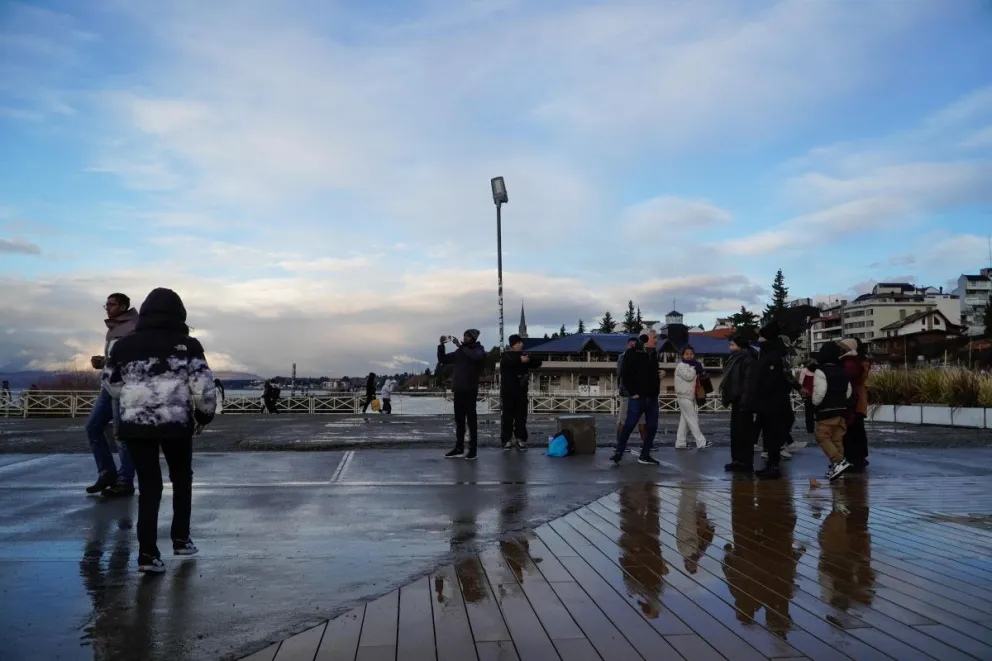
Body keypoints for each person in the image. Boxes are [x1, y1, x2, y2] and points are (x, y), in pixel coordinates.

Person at [103, 288, 216, 574]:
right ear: (180, 314)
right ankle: (181, 539)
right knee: (181, 478)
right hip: (175, 424)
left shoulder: (123, 346)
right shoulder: (188, 345)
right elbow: (203, 387)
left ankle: (147, 555)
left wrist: (138, 397)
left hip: (136, 425)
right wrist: (204, 415)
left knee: (149, 486)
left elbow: (111, 385)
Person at [84, 293, 139, 498]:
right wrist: (104, 362)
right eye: (106, 304)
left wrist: (106, 362)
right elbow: (115, 357)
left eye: (112, 304)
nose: (107, 307)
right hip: (108, 385)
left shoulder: (133, 327)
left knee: (120, 433)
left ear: (123, 307)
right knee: (93, 426)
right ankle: (107, 473)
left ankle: (125, 481)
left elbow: (133, 359)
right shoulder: (114, 328)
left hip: (123, 387)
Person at [747, 320, 792, 479]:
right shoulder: (774, 353)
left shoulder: (773, 355)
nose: (759, 340)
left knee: (772, 433)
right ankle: (771, 464)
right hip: (771, 401)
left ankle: (773, 466)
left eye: (762, 337)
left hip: (772, 401)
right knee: (769, 433)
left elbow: (769, 380)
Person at [611, 332, 662, 466]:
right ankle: (619, 452)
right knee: (629, 425)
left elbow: (652, 372)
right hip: (638, 398)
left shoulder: (653, 353)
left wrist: (660, 373)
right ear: (646, 338)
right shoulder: (632, 353)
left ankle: (645, 455)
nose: (656, 340)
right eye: (654, 337)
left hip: (652, 397)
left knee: (652, 427)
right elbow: (625, 374)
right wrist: (632, 392)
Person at [438, 330, 486, 460]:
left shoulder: (478, 349)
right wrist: (441, 346)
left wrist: (461, 346)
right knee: (459, 421)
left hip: (470, 389)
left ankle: (473, 450)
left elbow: (476, 357)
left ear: (474, 338)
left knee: (471, 421)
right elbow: (443, 359)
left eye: (468, 336)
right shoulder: (460, 351)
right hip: (458, 389)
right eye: (464, 336)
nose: (465, 338)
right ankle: (459, 448)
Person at [810, 341, 853, 481]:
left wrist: (814, 404)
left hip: (826, 410)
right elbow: (848, 391)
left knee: (822, 437)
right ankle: (837, 469)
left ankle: (838, 461)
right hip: (841, 410)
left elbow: (819, 392)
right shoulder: (843, 370)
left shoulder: (821, 371)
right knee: (837, 439)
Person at [721, 334, 757, 472]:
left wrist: (745, 400)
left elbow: (748, 382)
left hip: (743, 400)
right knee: (736, 431)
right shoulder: (735, 358)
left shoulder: (747, 359)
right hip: (736, 399)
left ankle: (745, 461)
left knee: (744, 431)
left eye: (732, 345)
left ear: (739, 346)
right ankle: (737, 459)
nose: (730, 347)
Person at [499, 334, 543, 450]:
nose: (521, 344)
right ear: (513, 344)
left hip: (521, 391)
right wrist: (520, 359)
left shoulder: (524, 355)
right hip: (508, 392)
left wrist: (530, 358)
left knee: (521, 417)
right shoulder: (506, 355)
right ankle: (506, 440)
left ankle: (520, 439)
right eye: (519, 343)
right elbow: (506, 362)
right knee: (507, 417)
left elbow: (538, 363)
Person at [839, 338, 872, 472]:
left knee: (853, 429)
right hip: (857, 398)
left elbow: (857, 378)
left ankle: (855, 458)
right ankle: (859, 457)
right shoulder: (859, 361)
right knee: (857, 430)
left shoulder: (855, 363)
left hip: (855, 398)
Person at [674, 345, 708, 450]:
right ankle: (701, 442)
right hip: (684, 395)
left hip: (690, 396)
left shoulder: (693, 365)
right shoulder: (681, 366)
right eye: (687, 354)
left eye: (691, 354)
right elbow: (688, 377)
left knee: (684, 421)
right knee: (693, 419)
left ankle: (680, 443)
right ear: (682, 355)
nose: (689, 356)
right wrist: (694, 368)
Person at [615, 337, 646, 444]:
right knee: (623, 419)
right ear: (627, 346)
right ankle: (620, 443)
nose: (633, 347)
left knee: (642, 419)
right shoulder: (622, 357)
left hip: (640, 393)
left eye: (635, 345)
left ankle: (646, 443)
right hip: (626, 392)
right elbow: (620, 373)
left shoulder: (642, 357)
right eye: (631, 345)